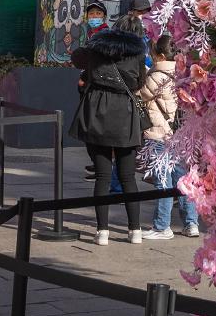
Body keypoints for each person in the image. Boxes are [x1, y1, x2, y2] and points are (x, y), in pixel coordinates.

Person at [71, 15, 148, 245]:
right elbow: (138, 84)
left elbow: (77, 59)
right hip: (125, 115)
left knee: (103, 177)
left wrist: (95, 44)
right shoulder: (137, 54)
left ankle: (102, 231)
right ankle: (135, 231)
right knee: (128, 177)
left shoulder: (97, 50)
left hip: (97, 114)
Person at [137, 34, 200, 241]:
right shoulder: (184, 75)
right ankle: (191, 223)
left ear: (160, 55)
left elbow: (141, 95)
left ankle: (162, 226)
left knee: (162, 181)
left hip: (159, 134)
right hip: (180, 135)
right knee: (183, 179)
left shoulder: (156, 77)